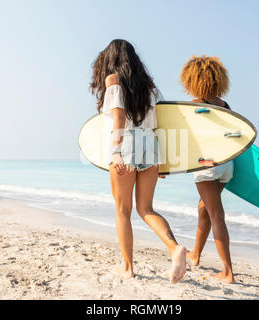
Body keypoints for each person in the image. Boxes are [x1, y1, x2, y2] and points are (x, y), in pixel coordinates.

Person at [90, 39, 187, 283]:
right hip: (152, 144)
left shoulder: (113, 81)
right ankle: (174, 248)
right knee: (146, 209)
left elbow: (120, 116)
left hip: (127, 144)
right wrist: (165, 163)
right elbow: (165, 119)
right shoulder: (150, 87)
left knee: (123, 211)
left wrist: (116, 151)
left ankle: (127, 267)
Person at [180, 55, 235, 283]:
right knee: (204, 209)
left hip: (206, 166)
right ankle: (195, 255)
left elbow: (184, 137)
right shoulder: (224, 106)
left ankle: (228, 272)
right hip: (227, 165)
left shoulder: (194, 106)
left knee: (216, 215)